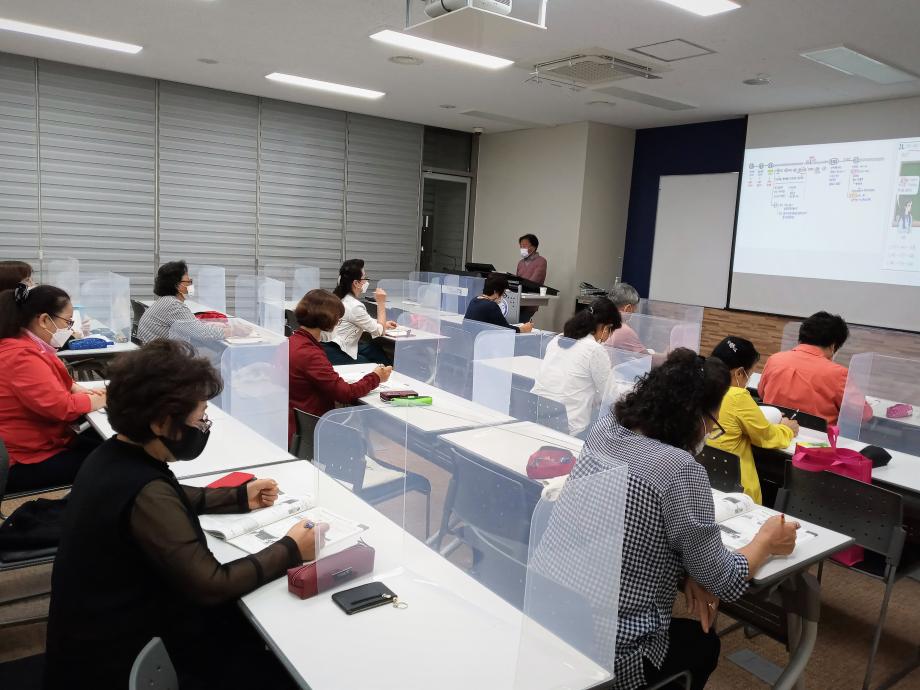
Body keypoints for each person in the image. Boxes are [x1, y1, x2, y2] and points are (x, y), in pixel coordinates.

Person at [44, 339, 327, 689]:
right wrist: (292, 548)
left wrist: (238, 496)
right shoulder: (146, 489)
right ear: (162, 424)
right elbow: (211, 584)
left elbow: (169, 497)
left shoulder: (111, 456)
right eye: (200, 419)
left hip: (84, 640)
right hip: (122, 658)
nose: (204, 427)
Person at [533, 349, 799, 690]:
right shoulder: (680, 469)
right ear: (698, 418)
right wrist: (766, 542)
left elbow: (621, 527)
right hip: (612, 652)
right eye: (713, 424)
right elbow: (725, 582)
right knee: (704, 643)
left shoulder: (604, 430)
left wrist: (687, 568)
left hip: (549, 616)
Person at [0, 284, 105, 492]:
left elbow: (49, 385)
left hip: (34, 443)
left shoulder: (21, 345)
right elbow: (61, 407)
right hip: (25, 459)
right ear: (44, 320)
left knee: (105, 444)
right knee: (113, 461)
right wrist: (106, 397)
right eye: (67, 322)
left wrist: (75, 388)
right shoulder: (21, 356)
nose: (70, 329)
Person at [289, 289, 392, 440]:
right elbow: (346, 394)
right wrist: (376, 377)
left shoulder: (291, 343)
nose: (338, 323)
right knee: (357, 439)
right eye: (338, 319)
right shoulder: (310, 354)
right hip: (314, 429)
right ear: (327, 320)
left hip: (296, 424)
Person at [708, 337, 799, 503]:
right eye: (749, 374)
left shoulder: (697, 383)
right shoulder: (736, 395)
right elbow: (767, 437)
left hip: (706, 482)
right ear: (738, 373)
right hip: (738, 491)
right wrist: (787, 428)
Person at [758, 311, 871, 425]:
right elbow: (863, 415)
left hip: (774, 433)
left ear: (801, 337)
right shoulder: (838, 373)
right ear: (833, 346)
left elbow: (762, 393)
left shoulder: (775, 360)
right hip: (817, 441)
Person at [531, 297, 621, 437]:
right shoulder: (594, 349)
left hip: (539, 415)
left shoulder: (558, 339)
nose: (608, 337)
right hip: (571, 427)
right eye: (611, 331)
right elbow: (610, 396)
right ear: (605, 327)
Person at [136, 261, 231, 343]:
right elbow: (202, 333)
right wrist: (232, 331)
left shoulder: (165, 301)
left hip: (151, 355)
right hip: (162, 360)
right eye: (188, 282)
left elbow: (192, 326)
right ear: (178, 286)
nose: (191, 285)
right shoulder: (173, 305)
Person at [326, 259, 396, 365]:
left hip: (330, 346)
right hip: (337, 351)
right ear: (356, 283)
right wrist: (381, 303)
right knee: (374, 364)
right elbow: (379, 332)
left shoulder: (339, 298)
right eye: (365, 278)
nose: (366, 282)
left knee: (373, 350)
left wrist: (382, 323)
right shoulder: (354, 305)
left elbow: (356, 319)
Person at [464, 273, 534, 333]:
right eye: (503, 293)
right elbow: (506, 329)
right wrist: (523, 329)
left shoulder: (474, 301)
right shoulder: (491, 306)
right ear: (496, 292)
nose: (502, 297)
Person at [605, 282, 647, 353]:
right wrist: (666, 356)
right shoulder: (622, 329)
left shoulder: (601, 321)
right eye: (634, 308)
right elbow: (648, 359)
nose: (634, 312)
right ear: (628, 308)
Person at [516, 233, 547, 323]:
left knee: (520, 324)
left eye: (524, 246)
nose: (522, 248)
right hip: (517, 300)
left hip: (530, 302)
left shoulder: (541, 261)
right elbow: (516, 281)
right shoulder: (520, 263)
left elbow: (534, 281)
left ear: (534, 247)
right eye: (521, 246)